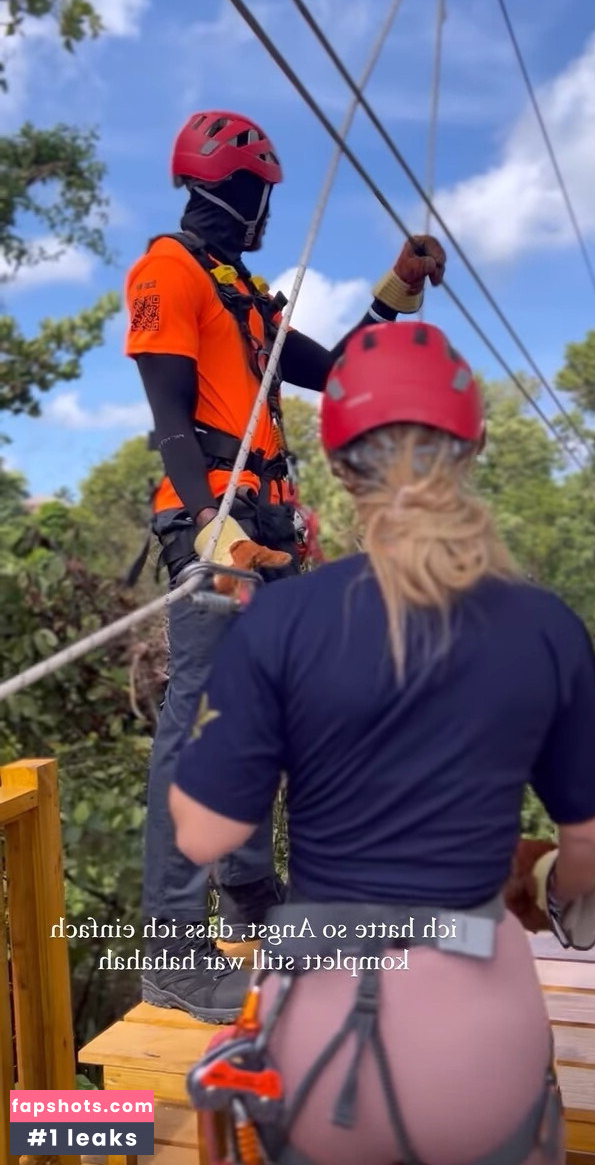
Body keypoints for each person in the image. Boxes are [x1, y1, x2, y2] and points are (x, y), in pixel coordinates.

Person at [170, 320, 595, 1165]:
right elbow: (592, 841)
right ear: (474, 444)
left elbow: (202, 835)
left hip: (318, 1031)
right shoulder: (545, 627)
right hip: (482, 1040)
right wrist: (557, 879)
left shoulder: (281, 622)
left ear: (339, 467)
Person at [123, 108, 447, 1022]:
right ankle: (172, 953)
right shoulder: (168, 271)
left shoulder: (246, 297)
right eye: (261, 192)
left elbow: (341, 368)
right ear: (235, 188)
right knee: (198, 730)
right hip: (218, 531)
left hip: (271, 534)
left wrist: (392, 290)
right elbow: (171, 418)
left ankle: (256, 898)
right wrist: (205, 523)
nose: (267, 207)